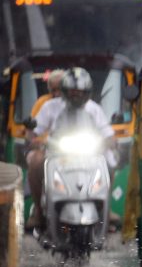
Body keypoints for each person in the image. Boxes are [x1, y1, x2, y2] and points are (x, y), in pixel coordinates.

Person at [25, 67, 117, 231]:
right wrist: (33, 140)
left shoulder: (94, 108)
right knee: (36, 161)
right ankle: (38, 212)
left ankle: (105, 211)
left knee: (109, 160)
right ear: (64, 91)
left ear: (87, 92)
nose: (76, 95)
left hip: (88, 153)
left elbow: (109, 135)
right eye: (72, 91)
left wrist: (107, 142)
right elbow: (34, 132)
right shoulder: (49, 107)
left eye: (80, 92)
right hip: (57, 153)